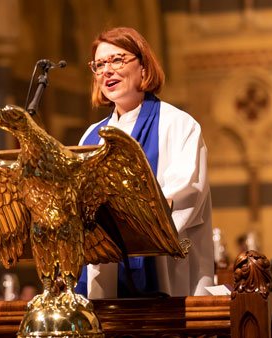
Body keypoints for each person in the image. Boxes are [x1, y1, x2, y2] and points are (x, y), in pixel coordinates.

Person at [75, 27, 214, 298]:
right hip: (103, 279)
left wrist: (115, 216)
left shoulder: (178, 125)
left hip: (166, 278)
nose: (107, 70)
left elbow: (185, 198)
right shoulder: (90, 136)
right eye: (99, 64)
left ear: (143, 66)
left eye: (117, 60)